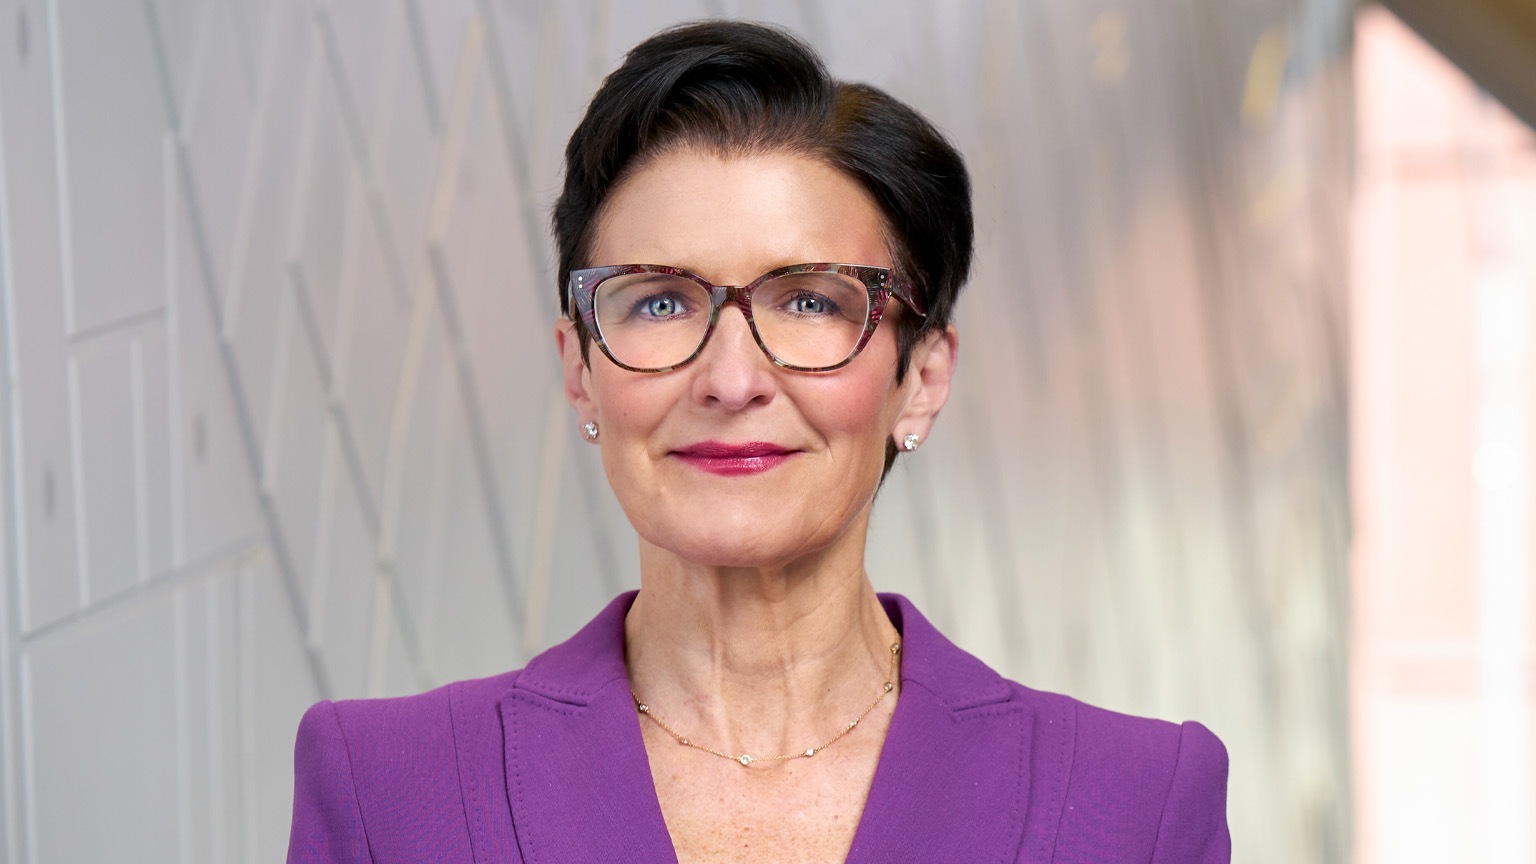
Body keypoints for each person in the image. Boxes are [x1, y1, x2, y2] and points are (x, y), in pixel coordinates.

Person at [287, 20, 1230, 864]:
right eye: (660, 300)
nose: (731, 380)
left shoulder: (1137, 805)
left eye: (811, 302)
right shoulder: (386, 792)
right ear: (580, 368)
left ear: (923, 377)